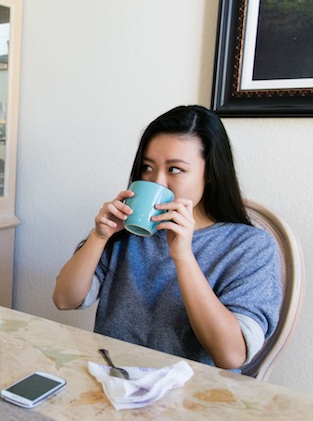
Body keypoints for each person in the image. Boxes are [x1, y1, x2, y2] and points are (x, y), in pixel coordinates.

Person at [53, 105, 281, 370]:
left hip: (195, 390)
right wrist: (99, 236)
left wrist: (183, 256)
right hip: (117, 379)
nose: (157, 182)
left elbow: (230, 355)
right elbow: (64, 299)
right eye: (148, 167)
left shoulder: (251, 246)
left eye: (175, 169)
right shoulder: (127, 231)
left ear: (210, 173)